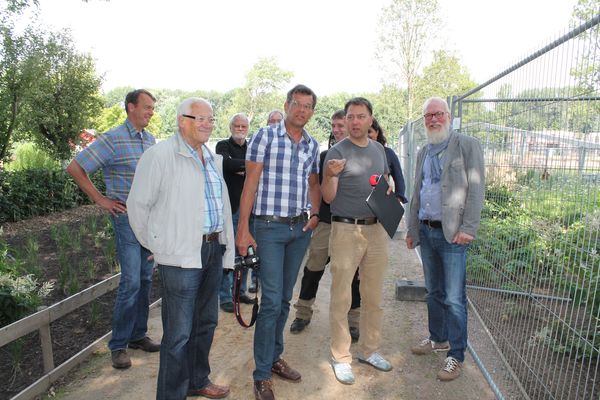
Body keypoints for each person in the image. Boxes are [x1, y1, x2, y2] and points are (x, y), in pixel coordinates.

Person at [127, 97, 234, 399]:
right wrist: (157, 244)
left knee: (206, 323)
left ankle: (197, 380)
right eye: (199, 118)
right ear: (181, 120)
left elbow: (221, 207)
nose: (207, 124)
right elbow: (137, 206)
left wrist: (226, 247)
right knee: (178, 334)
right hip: (181, 256)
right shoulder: (160, 156)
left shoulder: (211, 158)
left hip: (211, 250)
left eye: (210, 119)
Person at [236, 84, 321, 400]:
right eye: (297, 104)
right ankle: (261, 376)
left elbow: (313, 183)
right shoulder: (265, 136)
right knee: (271, 300)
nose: (302, 110)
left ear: (312, 111)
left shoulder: (311, 145)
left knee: (285, 298)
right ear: (287, 105)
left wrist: (314, 214)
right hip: (268, 229)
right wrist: (243, 230)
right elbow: (250, 184)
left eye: (308, 106)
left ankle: (274, 357)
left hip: (299, 230)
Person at [66, 89, 160, 370]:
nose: (151, 112)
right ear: (131, 107)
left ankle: (137, 335)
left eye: (153, 108)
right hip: (126, 219)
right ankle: (118, 345)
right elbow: (75, 167)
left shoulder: (151, 141)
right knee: (131, 281)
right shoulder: (113, 139)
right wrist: (100, 199)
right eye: (146, 107)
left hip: (149, 222)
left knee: (145, 279)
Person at [406, 96, 485, 381]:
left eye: (438, 114)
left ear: (448, 116)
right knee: (433, 292)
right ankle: (437, 338)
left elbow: (476, 190)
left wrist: (469, 228)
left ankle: (456, 354)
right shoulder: (424, 151)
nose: (433, 119)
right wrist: (413, 229)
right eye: (428, 116)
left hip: (453, 235)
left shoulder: (466, 145)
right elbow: (419, 191)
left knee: (453, 299)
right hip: (427, 232)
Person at [322, 97, 393, 385]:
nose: (354, 122)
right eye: (350, 117)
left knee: (373, 296)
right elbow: (327, 197)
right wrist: (331, 175)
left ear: (370, 120)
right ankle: (341, 357)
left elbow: (384, 180)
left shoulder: (379, 150)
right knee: (341, 296)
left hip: (376, 230)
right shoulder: (336, 153)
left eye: (360, 116)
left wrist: (388, 188)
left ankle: (370, 350)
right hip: (345, 231)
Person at [289, 110, 362, 343]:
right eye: (335, 126)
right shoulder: (324, 156)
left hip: (352, 226)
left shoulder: (363, 154)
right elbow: (316, 188)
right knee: (313, 270)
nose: (338, 129)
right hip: (327, 223)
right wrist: (316, 214)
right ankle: (303, 313)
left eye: (342, 125)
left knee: (352, 275)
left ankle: (353, 320)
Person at [216, 113, 254, 313]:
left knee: (247, 251)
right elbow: (225, 164)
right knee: (228, 250)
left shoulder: (252, 147)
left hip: (250, 208)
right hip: (230, 207)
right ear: (231, 127)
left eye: (243, 126)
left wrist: (239, 167)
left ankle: (240, 292)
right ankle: (225, 296)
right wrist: (249, 168)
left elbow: (236, 166)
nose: (240, 129)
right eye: (237, 126)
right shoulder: (222, 146)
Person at [367, 118, 408, 204]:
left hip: (380, 205)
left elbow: (399, 179)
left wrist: (397, 199)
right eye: (363, 132)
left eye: (369, 131)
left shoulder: (388, 153)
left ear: (377, 132)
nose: (366, 135)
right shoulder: (353, 153)